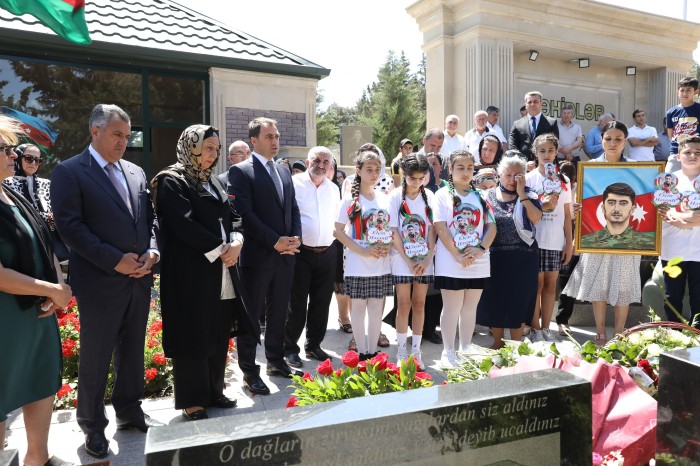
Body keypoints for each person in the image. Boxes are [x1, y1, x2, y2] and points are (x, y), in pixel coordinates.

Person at [51, 104, 162, 459]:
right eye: (117, 134)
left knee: (132, 351)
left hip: (139, 279)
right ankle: (92, 427)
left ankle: (129, 411)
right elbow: (71, 228)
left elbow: (150, 220)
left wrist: (153, 252)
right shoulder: (70, 172)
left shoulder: (135, 171)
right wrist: (116, 261)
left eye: (127, 137)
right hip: (100, 282)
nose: (123, 143)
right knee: (96, 357)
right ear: (95, 131)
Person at [151, 125, 247, 422]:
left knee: (218, 329)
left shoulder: (215, 182)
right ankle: (193, 400)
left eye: (217, 149)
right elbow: (183, 225)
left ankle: (214, 390)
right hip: (190, 272)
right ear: (191, 147)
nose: (214, 154)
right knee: (193, 331)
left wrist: (238, 242)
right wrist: (221, 247)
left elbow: (235, 217)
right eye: (208, 148)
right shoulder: (172, 180)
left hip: (222, 267)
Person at [0, 116, 74, 466]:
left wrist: (58, 286)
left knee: (41, 386)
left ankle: (37, 459)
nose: (14, 154)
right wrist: (52, 290)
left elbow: (44, 243)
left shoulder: (13, 192)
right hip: (5, 324)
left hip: (35, 318)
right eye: (5, 148)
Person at [228, 117, 303, 396]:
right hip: (257, 258)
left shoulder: (284, 172)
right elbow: (244, 215)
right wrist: (275, 241)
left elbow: (292, 208)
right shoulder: (241, 172)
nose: (275, 141)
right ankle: (249, 372)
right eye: (269, 136)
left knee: (279, 312)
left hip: (286, 257)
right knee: (250, 317)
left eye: (277, 136)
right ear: (254, 140)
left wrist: (295, 238)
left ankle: (275, 360)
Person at [563, 121, 641, 346]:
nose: (613, 143)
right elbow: (579, 205)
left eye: (618, 139)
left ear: (625, 141)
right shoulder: (589, 168)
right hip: (596, 236)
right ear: (601, 140)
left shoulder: (638, 168)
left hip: (628, 241)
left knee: (623, 287)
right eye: (608, 139)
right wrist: (577, 208)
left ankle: (619, 334)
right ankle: (600, 332)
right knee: (599, 287)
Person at [433, 150, 496, 365]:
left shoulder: (481, 195)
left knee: (470, 307)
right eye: (460, 168)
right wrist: (458, 256)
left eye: (470, 168)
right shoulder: (442, 195)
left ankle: (466, 347)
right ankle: (448, 350)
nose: (466, 172)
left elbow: (491, 227)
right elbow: (441, 228)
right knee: (452, 306)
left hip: (478, 260)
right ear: (450, 170)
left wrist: (480, 249)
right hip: (452, 260)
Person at [476, 154, 542, 349]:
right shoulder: (487, 196)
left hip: (523, 258)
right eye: (509, 175)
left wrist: (522, 194)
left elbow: (536, 218)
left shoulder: (530, 195)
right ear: (499, 175)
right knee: (495, 300)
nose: (513, 180)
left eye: (518, 175)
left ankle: (516, 345)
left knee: (518, 301)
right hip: (495, 256)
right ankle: (497, 342)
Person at [284, 147, 340, 368]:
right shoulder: (294, 184)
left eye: (327, 161)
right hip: (301, 253)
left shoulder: (333, 189)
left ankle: (313, 344)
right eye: (318, 160)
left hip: (327, 252)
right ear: (308, 162)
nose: (323, 164)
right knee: (296, 303)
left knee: (322, 302)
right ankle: (289, 348)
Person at [334, 150, 393, 360]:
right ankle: (361, 353)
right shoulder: (350, 201)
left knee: (377, 309)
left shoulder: (386, 199)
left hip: (381, 264)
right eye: (369, 169)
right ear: (358, 171)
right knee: (358, 309)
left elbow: (391, 230)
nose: (374, 173)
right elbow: (338, 231)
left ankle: (373, 352)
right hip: (358, 264)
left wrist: (388, 247)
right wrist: (363, 251)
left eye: (377, 169)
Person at [388, 153, 436, 369]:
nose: (417, 183)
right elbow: (394, 231)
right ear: (404, 175)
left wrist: (426, 258)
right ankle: (401, 351)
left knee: (419, 304)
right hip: (402, 258)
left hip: (424, 260)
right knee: (404, 304)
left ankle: (416, 351)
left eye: (421, 178)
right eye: (412, 178)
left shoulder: (430, 196)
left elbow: (434, 229)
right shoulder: (395, 197)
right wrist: (408, 260)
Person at [525, 134, 573, 342]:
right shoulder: (528, 179)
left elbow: (567, 213)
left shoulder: (564, 181)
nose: (546, 155)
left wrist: (568, 243)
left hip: (555, 240)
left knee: (551, 284)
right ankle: (534, 327)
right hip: (534, 239)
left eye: (550, 151)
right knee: (535, 284)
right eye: (542, 151)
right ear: (535, 153)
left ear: (556, 152)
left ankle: (546, 326)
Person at [660, 136, 700, 326]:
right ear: (678, 155)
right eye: (688, 152)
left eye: (698, 153)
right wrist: (689, 220)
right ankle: (673, 342)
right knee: (672, 298)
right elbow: (664, 213)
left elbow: (674, 214)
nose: (693, 155)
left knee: (698, 300)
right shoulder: (668, 182)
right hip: (672, 250)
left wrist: (678, 217)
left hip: (698, 251)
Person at [3, 143, 68, 262]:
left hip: (52, 238)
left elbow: (57, 208)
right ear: (18, 157)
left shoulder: (46, 183)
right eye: (29, 158)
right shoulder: (7, 183)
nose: (33, 163)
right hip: (27, 239)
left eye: (38, 160)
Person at [580, 182, 656, 249]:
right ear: (603, 208)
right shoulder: (584, 242)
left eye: (623, 203)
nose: (616, 209)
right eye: (611, 202)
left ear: (633, 209)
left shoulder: (649, 243)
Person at [555, 161, 579, 336]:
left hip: (572, 241)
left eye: (570, 177)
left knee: (566, 281)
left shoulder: (580, 192)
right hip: (552, 239)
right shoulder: (552, 188)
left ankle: (563, 320)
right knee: (544, 283)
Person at [509, 91, 559, 160]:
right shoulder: (517, 124)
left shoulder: (551, 123)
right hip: (523, 167)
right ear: (526, 105)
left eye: (535, 102)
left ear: (541, 104)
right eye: (529, 102)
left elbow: (554, 146)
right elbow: (513, 148)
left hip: (544, 165)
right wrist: (524, 163)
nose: (532, 104)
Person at [665, 77, 700, 172]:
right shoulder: (670, 112)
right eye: (682, 90)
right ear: (677, 92)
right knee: (669, 180)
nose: (685, 93)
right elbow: (671, 134)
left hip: (697, 153)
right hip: (676, 153)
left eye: (689, 90)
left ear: (696, 91)